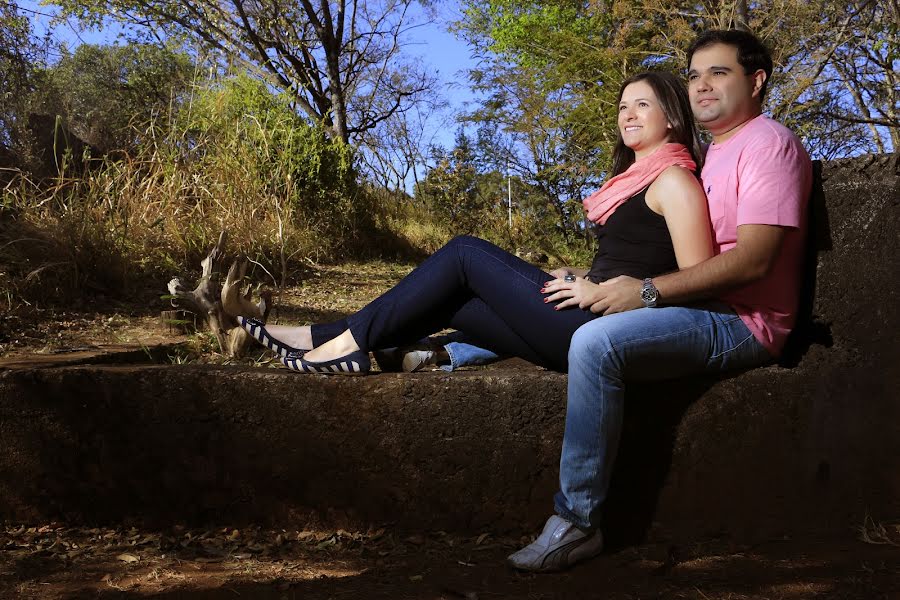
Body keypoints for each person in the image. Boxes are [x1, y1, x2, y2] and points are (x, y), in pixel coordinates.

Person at [507, 29, 813, 572]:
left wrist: (644, 292)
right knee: (553, 302)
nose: (701, 85)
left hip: (743, 321)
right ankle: (446, 350)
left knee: (595, 343)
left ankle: (578, 523)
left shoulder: (770, 144)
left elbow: (754, 260)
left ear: (756, 80)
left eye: (718, 72)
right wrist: (602, 277)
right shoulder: (713, 155)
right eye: (694, 75)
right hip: (702, 306)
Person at [238, 71, 713, 375]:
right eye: (623, 106)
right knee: (451, 298)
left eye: (643, 105)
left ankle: (346, 343)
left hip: (596, 333)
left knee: (465, 253)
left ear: (671, 115)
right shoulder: (633, 180)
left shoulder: (674, 180)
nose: (628, 114)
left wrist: (634, 290)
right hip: (585, 313)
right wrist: (584, 278)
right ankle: (321, 337)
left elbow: (699, 281)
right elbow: (629, 259)